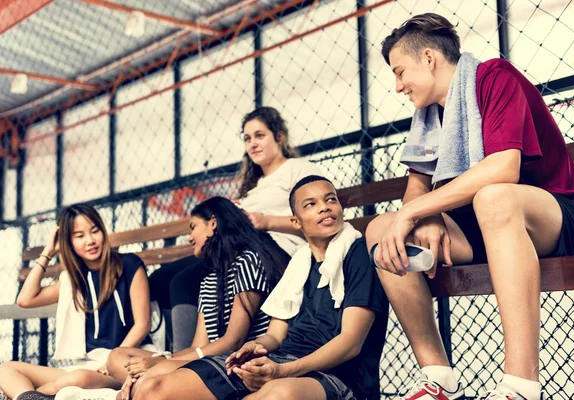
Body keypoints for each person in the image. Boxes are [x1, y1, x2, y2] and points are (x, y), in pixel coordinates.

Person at [366, 13, 574, 400]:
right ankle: (437, 377)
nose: (398, 86)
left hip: (559, 218)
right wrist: (421, 212)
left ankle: (521, 385)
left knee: (495, 195)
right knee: (381, 229)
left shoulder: (493, 77)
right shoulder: (429, 114)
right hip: (486, 223)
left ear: (428, 58)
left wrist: (417, 210)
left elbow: (503, 168)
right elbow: (416, 186)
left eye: (399, 71)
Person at [131, 175, 389, 400]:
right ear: (296, 222)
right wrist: (253, 346)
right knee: (153, 388)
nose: (324, 208)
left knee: (276, 394)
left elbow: (350, 343)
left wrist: (283, 372)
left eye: (330, 200)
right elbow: (275, 336)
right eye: (311, 204)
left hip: (337, 376)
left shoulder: (358, 253)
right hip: (282, 361)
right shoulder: (299, 265)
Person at [57, 197, 290, 400]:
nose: (190, 237)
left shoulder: (247, 261)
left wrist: (161, 364)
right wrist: (162, 359)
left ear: (213, 223)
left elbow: (233, 341)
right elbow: (198, 346)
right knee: (118, 356)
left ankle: (113, 393)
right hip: (210, 357)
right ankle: (119, 390)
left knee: (151, 379)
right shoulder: (209, 280)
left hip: (235, 361)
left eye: (193, 227)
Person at [149, 106, 322, 352]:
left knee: (184, 281)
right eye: (247, 138)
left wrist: (266, 221)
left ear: (279, 137)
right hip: (237, 250)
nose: (252, 144)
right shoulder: (251, 188)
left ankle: (182, 357)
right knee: (159, 279)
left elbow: (317, 217)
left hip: (274, 252)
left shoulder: (297, 169)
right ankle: (170, 350)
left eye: (260, 135)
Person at [0, 204, 155, 400]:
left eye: (94, 231)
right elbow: (25, 300)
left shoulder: (130, 265)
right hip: (87, 364)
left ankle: (32, 396)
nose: (90, 240)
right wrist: (49, 250)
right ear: (68, 242)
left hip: (124, 362)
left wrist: (110, 362)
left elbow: (142, 325)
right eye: (79, 236)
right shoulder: (74, 280)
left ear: (103, 231)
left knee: (77, 379)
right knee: (6, 370)